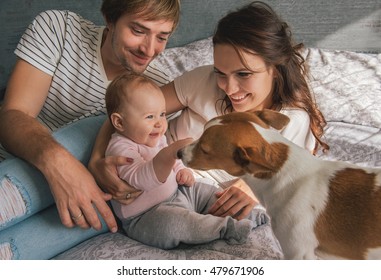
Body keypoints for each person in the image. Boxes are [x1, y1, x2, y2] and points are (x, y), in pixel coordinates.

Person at [90, 1, 329, 221]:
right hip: (137, 159)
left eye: (243, 74)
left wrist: (254, 188)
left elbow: (294, 176)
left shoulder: (291, 121)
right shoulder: (203, 81)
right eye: (220, 72)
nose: (229, 88)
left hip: (171, 195)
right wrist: (97, 159)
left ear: (275, 68)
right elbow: (127, 112)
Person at [0, 0, 180, 234]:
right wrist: (61, 164)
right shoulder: (59, 30)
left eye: (162, 37)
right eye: (138, 31)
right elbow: (13, 115)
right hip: (13, 165)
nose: (148, 49)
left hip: (79, 201)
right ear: (110, 18)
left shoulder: (157, 88)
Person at [104, 72, 266, 249]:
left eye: (162, 114)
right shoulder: (120, 148)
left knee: (210, 193)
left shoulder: (155, 137)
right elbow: (141, 180)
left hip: (178, 193)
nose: (159, 123)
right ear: (119, 123)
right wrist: (170, 153)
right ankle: (225, 228)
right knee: (176, 225)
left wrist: (182, 170)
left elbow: (174, 163)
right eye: (150, 116)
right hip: (148, 215)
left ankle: (251, 215)